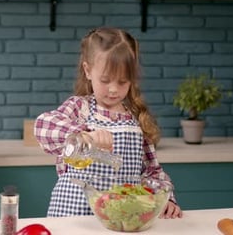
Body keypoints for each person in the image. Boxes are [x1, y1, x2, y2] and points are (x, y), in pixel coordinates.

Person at [34, 27, 183, 219]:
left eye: (122, 82)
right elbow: (43, 126)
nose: (113, 89)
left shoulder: (135, 119)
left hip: (121, 217)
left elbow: (152, 172)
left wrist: (166, 199)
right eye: (105, 80)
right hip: (73, 215)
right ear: (88, 71)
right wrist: (84, 135)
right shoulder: (80, 107)